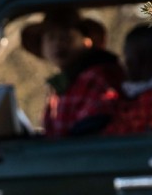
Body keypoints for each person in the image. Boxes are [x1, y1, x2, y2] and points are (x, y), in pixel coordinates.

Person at [22, 10, 123, 138]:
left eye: (66, 37)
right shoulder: (63, 83)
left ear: (86, 41)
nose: (58, 44)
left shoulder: (98, 76)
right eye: (51, 37)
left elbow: (92, 128)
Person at [105, 25, 152, 135]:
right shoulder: (142, 94)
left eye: (128, 56)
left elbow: (120, 137)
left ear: (139, 60)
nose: (126, 63)